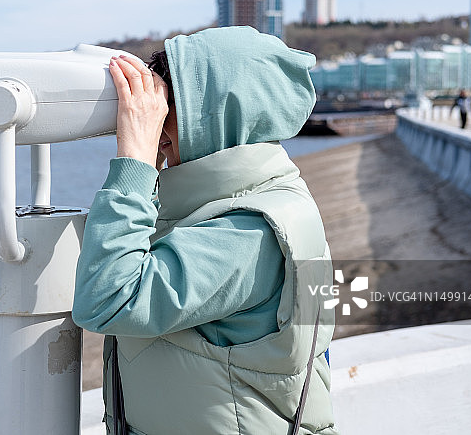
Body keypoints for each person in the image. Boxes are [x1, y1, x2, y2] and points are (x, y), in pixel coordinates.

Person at [72, 26, 337, 434]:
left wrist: (135, 165)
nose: (157, 126)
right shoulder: (267, 199)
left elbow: (107, 299)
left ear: (221, 115)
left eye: (169, 107)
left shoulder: (250, 232)